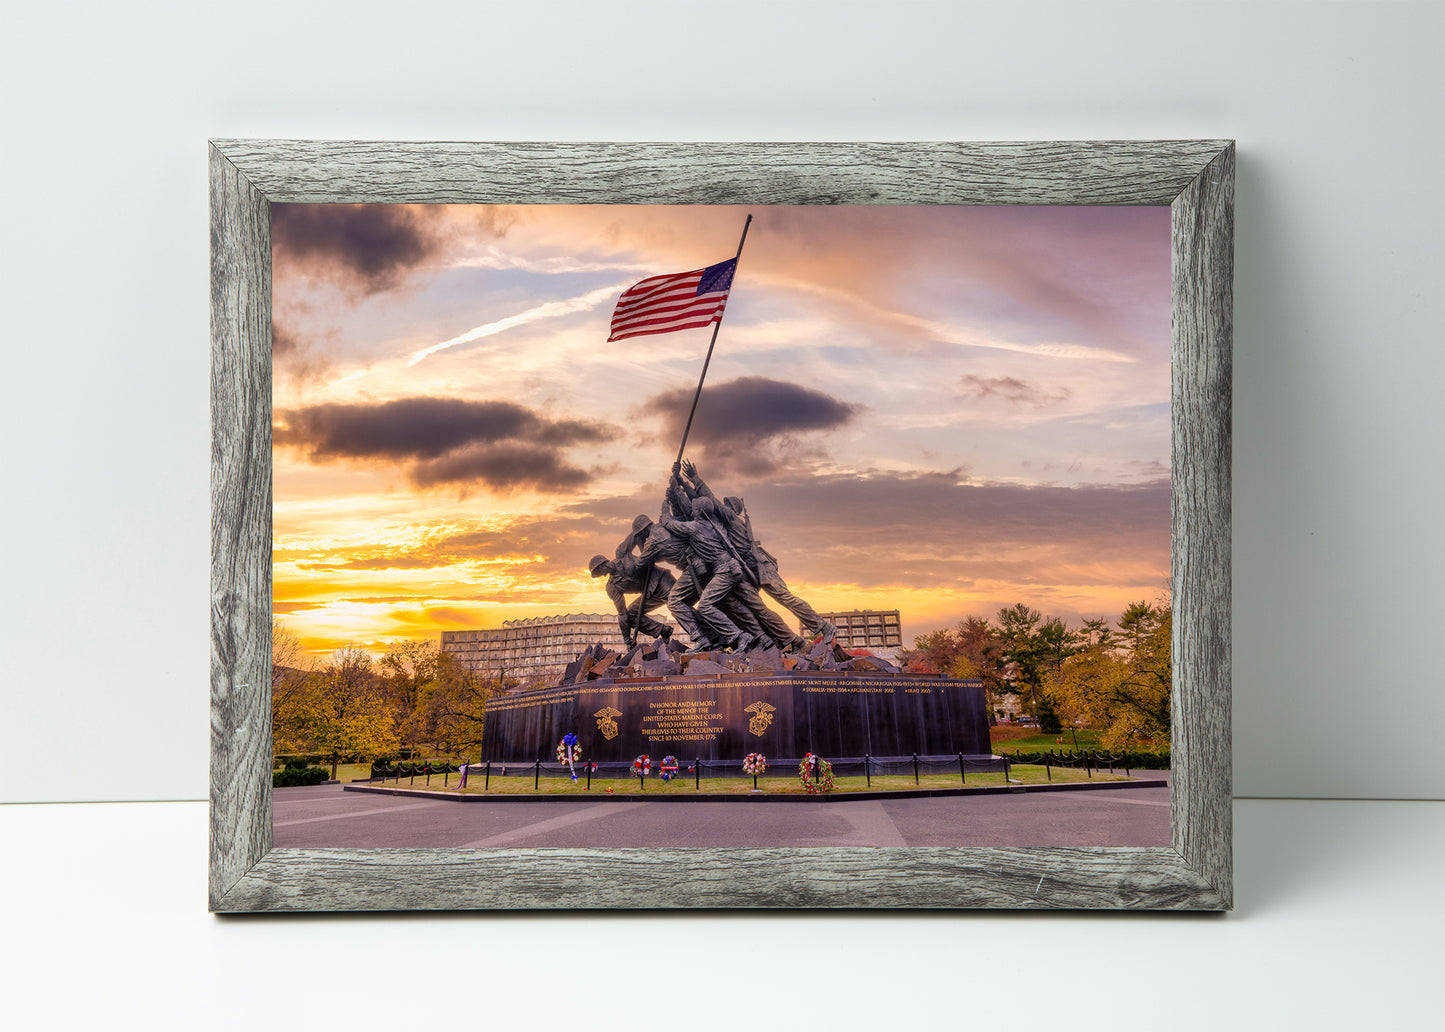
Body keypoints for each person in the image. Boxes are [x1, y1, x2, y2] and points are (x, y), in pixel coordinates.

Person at [587, 516, 676, 647]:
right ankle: (663, 630)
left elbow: (637, 533)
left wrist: (645, 553)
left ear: (602, 564)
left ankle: (707, 634)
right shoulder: (612, 588)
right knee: (631, 615)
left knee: (679, 606)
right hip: (649, 594)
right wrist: (627, 639)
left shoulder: (622, 553)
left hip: (661, 581)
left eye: (598, 570)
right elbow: (623, 614)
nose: (600, 573)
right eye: (598, 573)